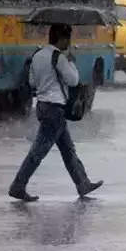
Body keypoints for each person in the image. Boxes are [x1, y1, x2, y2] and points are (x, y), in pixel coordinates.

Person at [9, 23, 103, 202]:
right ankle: (18, 186)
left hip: (43, 106)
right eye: (68, 39)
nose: (69, 42)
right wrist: (71, 63)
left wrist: (47, 84)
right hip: (54, 109)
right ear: (61, 38)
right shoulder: (58, 58)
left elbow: (32, 82)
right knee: (38, 152)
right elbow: (73, 80)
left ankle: (83, 184)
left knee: (68, 150)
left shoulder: (37, 55)